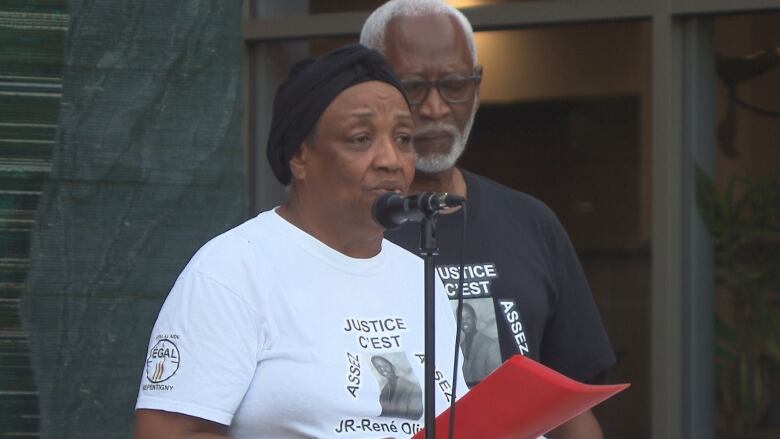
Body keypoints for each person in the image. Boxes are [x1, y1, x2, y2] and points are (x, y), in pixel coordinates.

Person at [132, 44, 467, 439]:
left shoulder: (419, 276)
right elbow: (169, 433)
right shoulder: (232, 271)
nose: (391, 160)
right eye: (360, 139)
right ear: (300, 156)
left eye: (404, 139)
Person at [360, 1, 616, 438]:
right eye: (413, 88)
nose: (436, 107)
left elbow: (572, 409)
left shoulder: (531, 222)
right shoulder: (341, 231)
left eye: (455, 85)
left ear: (477, 85)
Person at [459, 303, 502, 385]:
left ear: (475, 319)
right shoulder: (460, 348)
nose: (464, 321)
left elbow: (497, 380)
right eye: (461, 318)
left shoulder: (490, 345)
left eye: (468, 318)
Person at [371, 355, 423, 420]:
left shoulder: (412, 389)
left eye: (385, 366)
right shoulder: (384, 392)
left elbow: (415, 417)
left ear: (392, 366)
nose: (382, 369)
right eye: (378, 367)